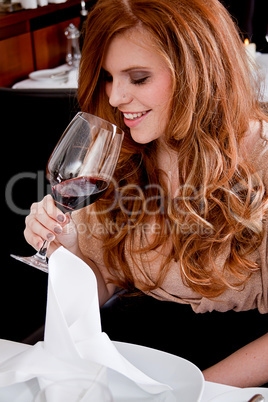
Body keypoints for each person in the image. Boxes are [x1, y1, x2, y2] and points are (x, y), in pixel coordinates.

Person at [24, 0, 268, 387]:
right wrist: (68, 246)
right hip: (129, 359)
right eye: (107, 77)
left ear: (197, 72)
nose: (117, 97)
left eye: (137, 78)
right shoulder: (118, 151)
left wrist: (195, 391)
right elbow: (102, 288)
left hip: (232, 372)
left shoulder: (263, 160)